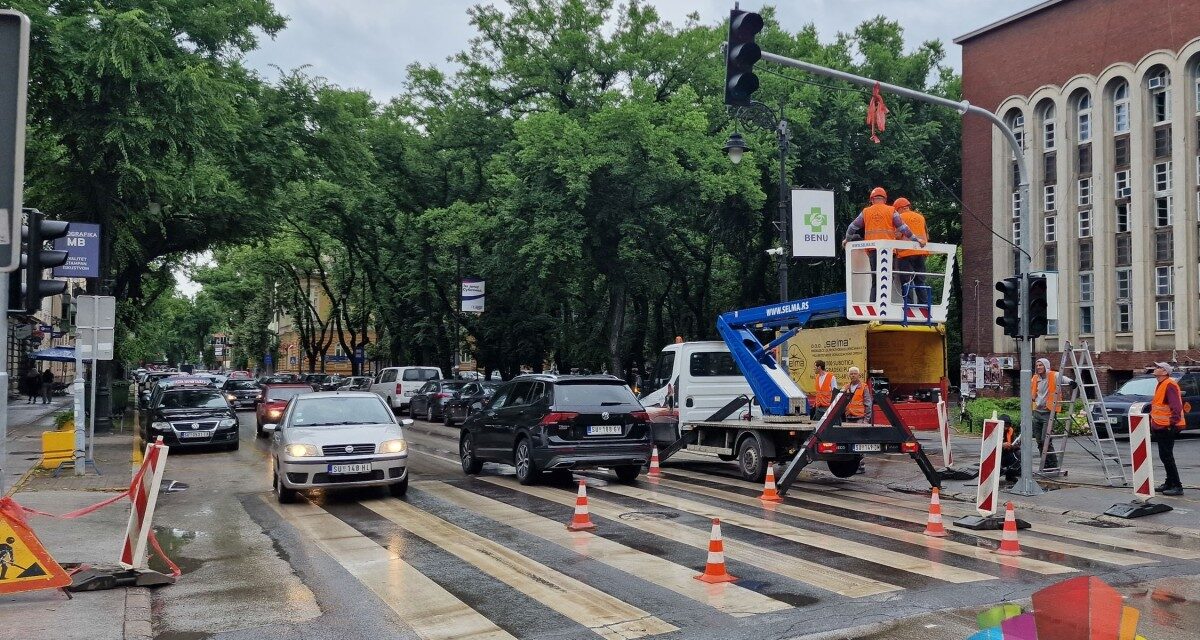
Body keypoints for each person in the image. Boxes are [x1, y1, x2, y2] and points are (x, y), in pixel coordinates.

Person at [1149, 362, 1185, 496]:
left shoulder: (1169, 384)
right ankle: (1169, 482)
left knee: (1167, 456)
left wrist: (1172, 423)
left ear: (1165, 372)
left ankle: (1177, 485)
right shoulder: (1161, 384)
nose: (1155, 369)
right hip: (1160, 425)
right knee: (1165, 456)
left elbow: (1176, 406)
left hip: (1166, 426)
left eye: (1159, 367)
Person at [893, 197, 931, 305]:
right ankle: (924, 306)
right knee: (920, 281)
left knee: (907, 281)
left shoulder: (899, 217)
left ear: (899, 208)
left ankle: (908, 307)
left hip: (905, 254)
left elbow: (898, 235)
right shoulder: (920, 217)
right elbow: (927, 236)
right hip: (921, 253)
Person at [1030, 358, 1068, 463]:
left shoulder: (1053, 375)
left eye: (1040, 365)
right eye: (1037, 365)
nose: (1038, 367)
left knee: (1045, 440)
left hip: (1048, 413)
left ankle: (1052, 464)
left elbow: (1064, 379)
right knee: (1039, 441)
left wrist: (1072, 383)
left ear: (1046, 366)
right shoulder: (1035, 378)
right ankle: (1045, 463)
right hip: (1037, 412)